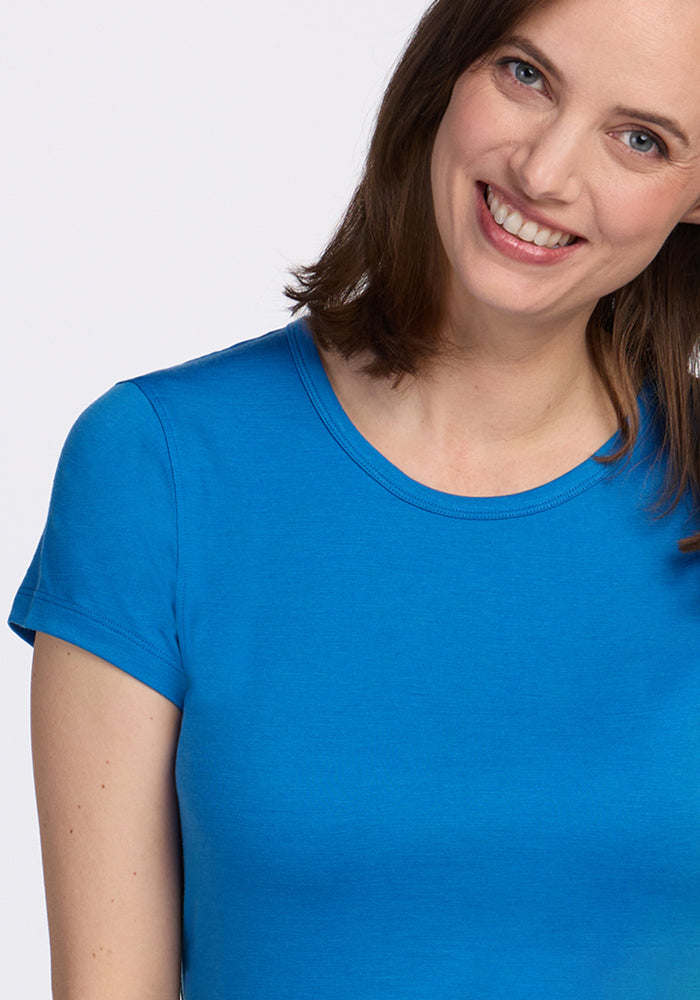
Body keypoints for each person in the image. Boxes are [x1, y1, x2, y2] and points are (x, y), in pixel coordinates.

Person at [9, 0, 700, 995]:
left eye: (641, 139)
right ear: (452, 65)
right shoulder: (160, 465)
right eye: (526, 76)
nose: (545, 174)